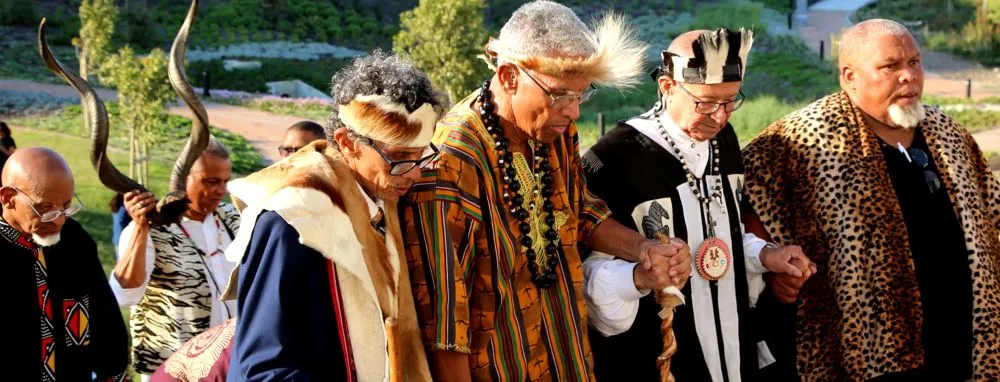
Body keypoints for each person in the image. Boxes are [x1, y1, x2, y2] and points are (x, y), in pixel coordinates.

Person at [401, 2, 691, 380]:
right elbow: (443, 319)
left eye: (581, 96)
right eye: (559, 96)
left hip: (568, 358)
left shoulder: (553, 132)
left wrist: (645, 249)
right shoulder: (452, 161)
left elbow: (579, 211)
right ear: (508, 77)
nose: (573, 112)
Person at [742, 19, 1000, 381]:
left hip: (959, 343)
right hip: (861, 356)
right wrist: (773, 273)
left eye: (914, 62)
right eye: (890, 66)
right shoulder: (801, 140)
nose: (909, 76)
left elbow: (993, 213)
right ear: (850, 77)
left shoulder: (949, 133)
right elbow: (747, 206)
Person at [581, 28, 810, 382]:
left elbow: (719, 239)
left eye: (731, 100)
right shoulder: (615, 157)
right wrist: (640, 277)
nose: (720, 117)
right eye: (705, 102)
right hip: (657, 359)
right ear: (668, 87)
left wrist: (765, 255)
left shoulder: (723, 140)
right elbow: (585, 273)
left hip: (734, 352)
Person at [225, 50, 447, 381]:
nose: (414, 174)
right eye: (400, 158)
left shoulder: (385, 200)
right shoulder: (291, 218)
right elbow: (262, 367)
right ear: (347, 142)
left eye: (421, 157)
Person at [110, 138, 241, 378]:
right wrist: (141, 227)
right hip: (173, 369)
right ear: (183, 179)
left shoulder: (232, 217)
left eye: (224, 181)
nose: (221, 190)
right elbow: (125, 294)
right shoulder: (154, 227)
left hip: (228, 366)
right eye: (212, 182)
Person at [1, 147, 129, 381]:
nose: (59, 220)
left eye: (66, 206)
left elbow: (105, 317)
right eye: (45, 208)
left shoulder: (75, 241)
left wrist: (112, 371)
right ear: (9, 198)